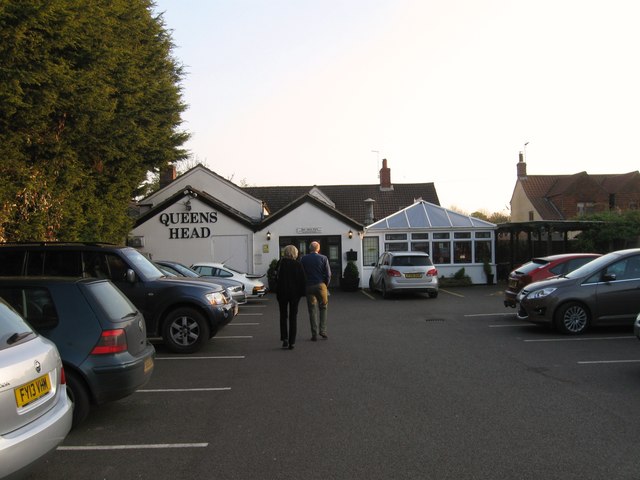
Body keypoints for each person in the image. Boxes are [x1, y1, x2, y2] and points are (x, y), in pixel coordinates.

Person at [276, 245, 306, 350]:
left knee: (283, 316)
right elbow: (303, 280)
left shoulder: (280, 263)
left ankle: (284, 338)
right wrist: (302, 294)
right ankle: (292, 342)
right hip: (294, 294)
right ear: (295, 253)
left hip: (282, 293)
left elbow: (276, 278)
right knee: (293, 317)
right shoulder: (298, 264)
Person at [300, 241, 331, 341]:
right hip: (320, 285)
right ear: (318, 249)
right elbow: (328, 274)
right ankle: (323, 330)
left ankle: (314, 333)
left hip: (309, 286)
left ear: (310, 249)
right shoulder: (323, 258)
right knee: (323, 307)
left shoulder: (303, 259)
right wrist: (325, 285)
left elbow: (301, 273)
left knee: (312, 310)